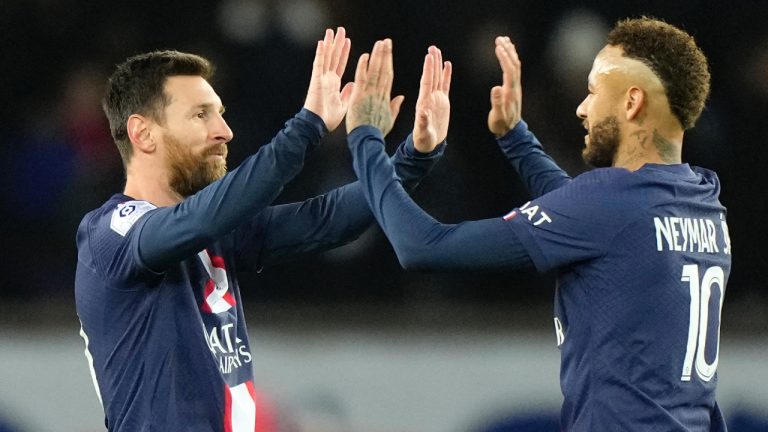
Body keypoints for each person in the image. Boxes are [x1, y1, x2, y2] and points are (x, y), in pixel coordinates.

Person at [345, 18, 731, 430]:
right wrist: (515, 136)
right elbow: (587, 217)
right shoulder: (703, 201)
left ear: (632, 102)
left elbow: (422, 246)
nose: (582, 108)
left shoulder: (611, 205)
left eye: (593, 91)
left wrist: (366, 138)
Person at [74, 27, 448, 431]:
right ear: (142, 133)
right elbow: (203, 218)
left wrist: (414, 157)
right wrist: (308, 126)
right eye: (201, 114)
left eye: (220, 112)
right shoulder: (110, 234)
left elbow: (324, 220)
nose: (224, 131)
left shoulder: (214, 233)